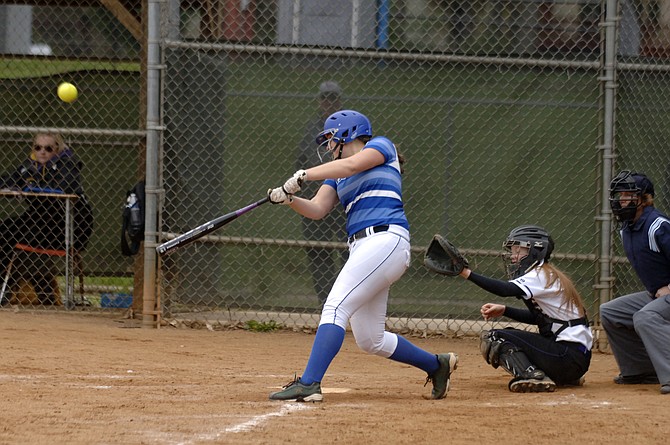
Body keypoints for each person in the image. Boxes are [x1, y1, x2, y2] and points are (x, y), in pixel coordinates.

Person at [266, 109, 458, 402]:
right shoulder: (336, 175)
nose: (328, 147)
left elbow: (352, 165)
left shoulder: (381, 146)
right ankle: (437, 365)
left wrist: (304, 175)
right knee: (371, 339)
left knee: (334, 308)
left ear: (348, 133)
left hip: (385, 239)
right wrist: (290, 199)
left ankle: (309, 383)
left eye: (331, 139)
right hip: (363, 248)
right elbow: (318, 210)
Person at [455, 225, 592, 393]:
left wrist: (465, 273)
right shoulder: (548, 274)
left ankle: (533, 376)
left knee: (495, 337)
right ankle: (562, 376)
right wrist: (505, 310)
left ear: (536, 251)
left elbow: (504, 290)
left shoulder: (540, 275)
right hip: (573, 358)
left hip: (566, 357)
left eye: (519, 251)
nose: (513, 257)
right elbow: (540, 319)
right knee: (510, 335)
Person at [0, 132, 93, 304]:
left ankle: (7, 289)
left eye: (48, 148)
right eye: (38, 148)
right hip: (39, 220)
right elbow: (9, 180)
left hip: (67, 227)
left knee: (8, 236)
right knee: (4, 229)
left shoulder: (67, 165)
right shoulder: (30, 166)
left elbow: (62, 187)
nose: (42, 152)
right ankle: (10, 289)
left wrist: (29, 187)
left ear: (57, 149)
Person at [600, 170, 670, 395]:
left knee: (646, 316)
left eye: (628, 195)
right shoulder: (627, 229)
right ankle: (641, 370)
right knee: (610, 311)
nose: (621, 201)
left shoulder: (658, 226)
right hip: (658, 294)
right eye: (619, 196)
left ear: (644, 199)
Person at [296, 81, 348, 304]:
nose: (329, 103)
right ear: (319, 101)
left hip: (344, 202)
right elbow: (301, 162)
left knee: (350, 253)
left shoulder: (350, 129)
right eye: (325, 98)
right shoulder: (312, 130)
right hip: (318, 199)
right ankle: (326, 303)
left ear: (340, 101)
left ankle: (347, 300)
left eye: (333, 98)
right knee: (319, 253)